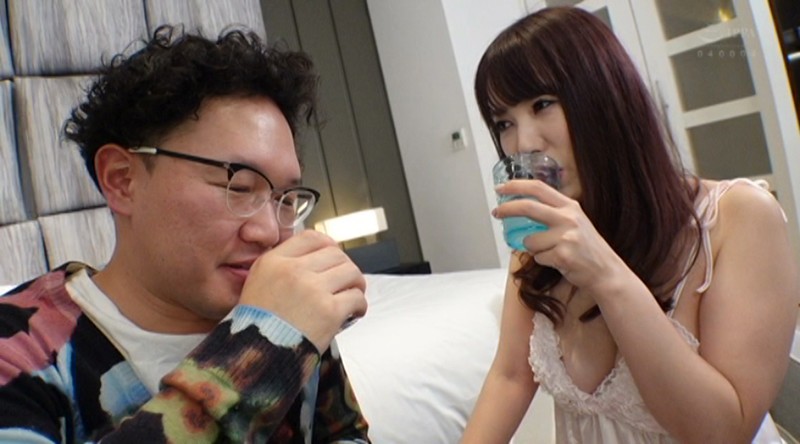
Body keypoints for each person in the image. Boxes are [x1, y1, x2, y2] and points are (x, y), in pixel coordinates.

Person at [0, 25, 370, 443]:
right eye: (239, 186)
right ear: (122, 180)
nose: (269, 231)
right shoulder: (20, 350)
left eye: (285, 198)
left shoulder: (289, 306)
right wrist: (266, 344)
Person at [462, 7, 798, 443]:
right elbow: (509, 377)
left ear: (607, 97)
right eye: (504, 123)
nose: (523, 144)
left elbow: (726, 432)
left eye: (542, 104)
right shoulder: (538, 242)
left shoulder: (738, 217)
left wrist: (605, 274)